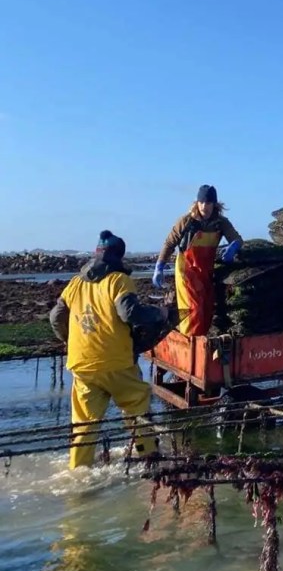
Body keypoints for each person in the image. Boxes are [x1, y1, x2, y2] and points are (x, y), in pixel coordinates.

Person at [49, 231, 169, 469]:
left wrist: (69, 340)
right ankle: (149, 459)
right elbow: (130, 313)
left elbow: (55, 317)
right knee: (137, 406)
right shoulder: (118, 281)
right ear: (118, 256)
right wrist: (160, 314)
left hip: (82, 365)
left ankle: (79, 471)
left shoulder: (75, 283)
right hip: (117, 363)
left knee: (83, 425)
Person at [153, 184, 243, 336]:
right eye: (201, 202)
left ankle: (201, 341)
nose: (204, 206)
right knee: (194, 310)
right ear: (196, 202)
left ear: (214, 204)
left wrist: (233, 246)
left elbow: (237, 239)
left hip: (206, 271)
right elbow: (169, 244)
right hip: (186, 271)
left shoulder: (221, 223)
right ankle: (191, 344)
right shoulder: (186, 221)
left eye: (208, 203)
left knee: (207, 310)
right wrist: (159, 266)